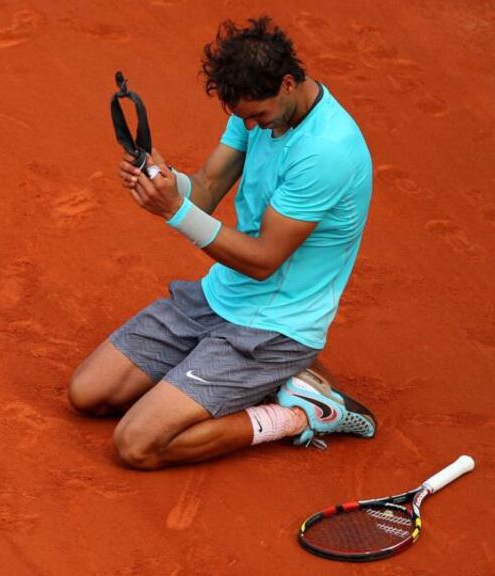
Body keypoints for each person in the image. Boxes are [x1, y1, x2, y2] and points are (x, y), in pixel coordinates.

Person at [68, 16, 375, 470]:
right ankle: (274, 381)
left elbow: (264, 260)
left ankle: (301, 413)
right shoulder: (256, 112)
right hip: (219, 297)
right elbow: (208, 187)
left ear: (287, 83)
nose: (251, 127)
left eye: (257, 115)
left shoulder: (327, 151)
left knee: (137, 444)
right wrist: (167, 181)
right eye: (242, 118)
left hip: (274, 328)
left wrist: (174, 211)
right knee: (87, 393)